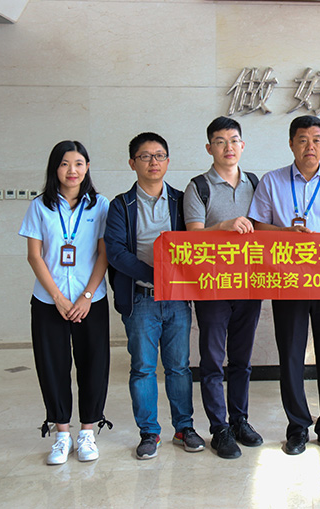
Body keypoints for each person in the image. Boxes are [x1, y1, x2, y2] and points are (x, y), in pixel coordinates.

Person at [249, 116, 320, 455]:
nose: (310, 146)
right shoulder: (272, 181)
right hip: (287, 281)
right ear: (291, 144)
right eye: (303, 139)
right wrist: (284, 233)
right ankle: (297, 428)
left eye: (316, 139)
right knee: (291, 356)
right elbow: (257, 226)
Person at [105, 132, 205, 460]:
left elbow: (198, 242)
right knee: (143, 368)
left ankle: (184, 427)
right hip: (141, 299)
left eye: (159, 155)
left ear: (168, 161)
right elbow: (116, 252)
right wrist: (156, 275)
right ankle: (149, 432)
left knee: (179, 367)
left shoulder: (181, 200)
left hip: (176, 299)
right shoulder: (120, 205)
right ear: (132, 162)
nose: (153, 162)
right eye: (145, 156)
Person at [19, 140, 111, 465]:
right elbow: (34, 256)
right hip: (49, 301)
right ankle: (61, 434)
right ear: (54, 168)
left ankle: (87, 432)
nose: (72, 170)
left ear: (87, 168)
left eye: (79, 163)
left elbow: (104, 254)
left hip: (91, 301)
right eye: (64, 164)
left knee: (93, 364)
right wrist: (58, 298)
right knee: (52, 365)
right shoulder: (39, 206)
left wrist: (86, 296)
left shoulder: (100, 205)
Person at [183, 116, 262, 459]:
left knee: (242, 360)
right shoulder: (198, 187)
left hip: (250, 283)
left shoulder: (256, 183)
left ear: (242, 145)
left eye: (233, 140)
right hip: (212, 286)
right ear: (209, 147)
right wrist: (224, 225)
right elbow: (192, 237)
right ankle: (219, 428)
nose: (228, 147)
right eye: (220, 141)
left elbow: (265, 227)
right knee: (213, 360)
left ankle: (239, 420)